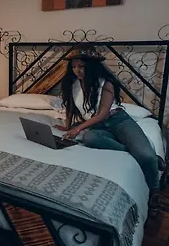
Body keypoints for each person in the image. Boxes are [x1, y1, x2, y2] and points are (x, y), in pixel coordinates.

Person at [56, 45, 160, 200]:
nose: (77, 70)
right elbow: (70, 107)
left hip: (118, 121)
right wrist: (67, 125)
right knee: (89, 138)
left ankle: (154, 192)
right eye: (74, 67)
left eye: (81, 66)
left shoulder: (106, 83)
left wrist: (77, 129)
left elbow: (103, 114)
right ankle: (133, 150)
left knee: (146, 156)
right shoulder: (74, 85)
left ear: (91, 66)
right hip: (97, 125)